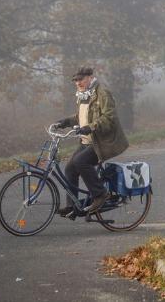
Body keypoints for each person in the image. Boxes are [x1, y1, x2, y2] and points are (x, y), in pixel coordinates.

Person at [53, 67, 129, 216]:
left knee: (81, 162)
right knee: (70, 168)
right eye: (75, 80)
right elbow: (80, 117)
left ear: (90, 77)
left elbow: (109, 118)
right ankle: (73, 206)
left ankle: (100, 194)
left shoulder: (102, 93)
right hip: (87, 142)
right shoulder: (84, 95)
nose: (78, 82)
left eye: (80, 79)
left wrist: (91, 127)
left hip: (103, 141)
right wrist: (65, 122)